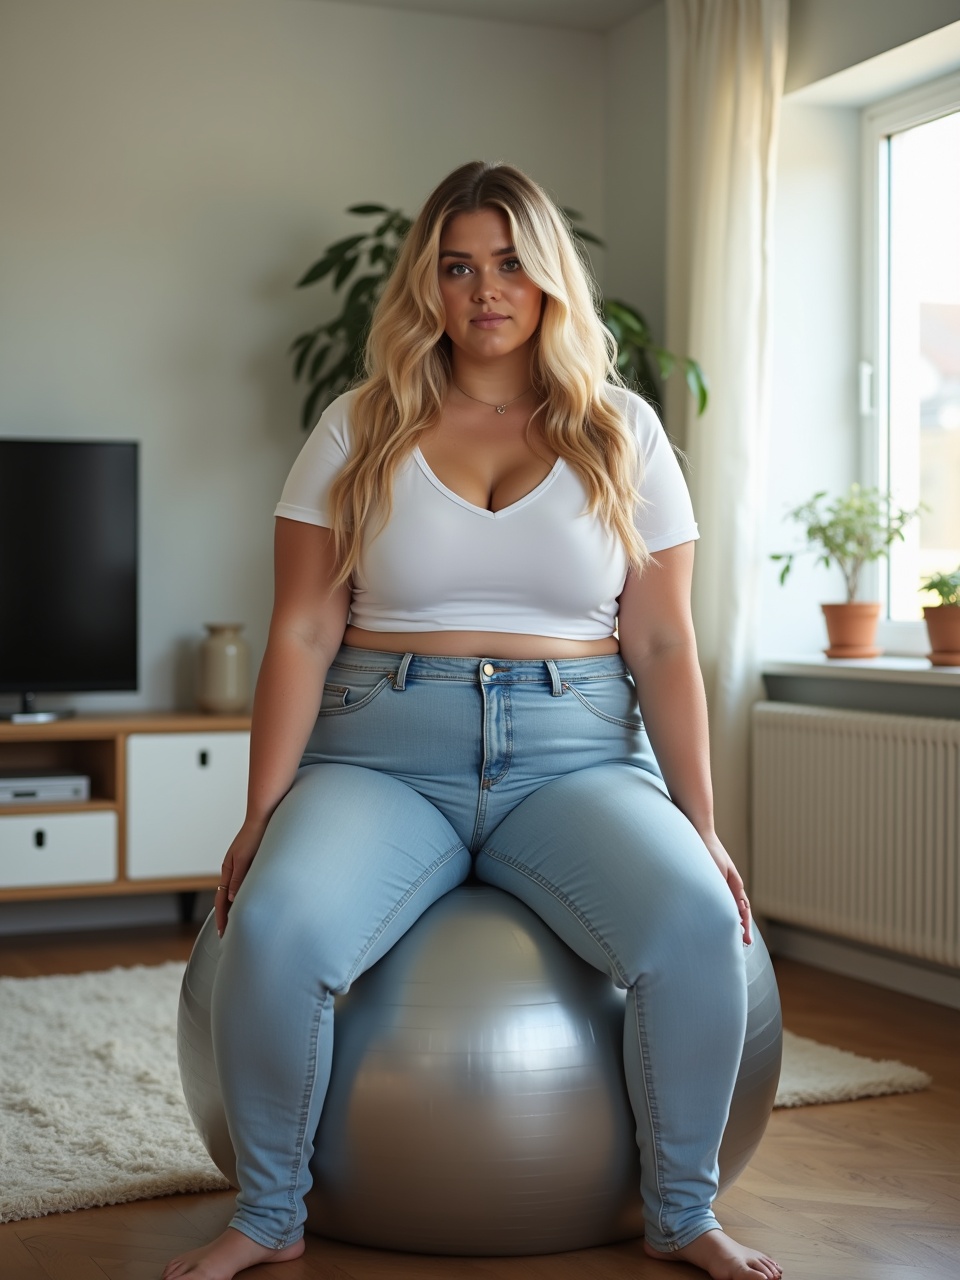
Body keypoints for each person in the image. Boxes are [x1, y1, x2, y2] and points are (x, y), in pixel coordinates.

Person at [163, 161, 782, 1280]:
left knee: (697, 920)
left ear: (549, 279)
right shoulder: (357, 427)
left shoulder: (622, 430)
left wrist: (702, 818)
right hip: (381, 748)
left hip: (576, 750)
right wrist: (260, 813)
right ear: (427, 286)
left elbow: (662, 642)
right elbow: (303, 629)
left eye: (509, 263)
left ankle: (684, 1213)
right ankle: (268, 1213)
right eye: (458, 266)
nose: (484, 289)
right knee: (279, 926)